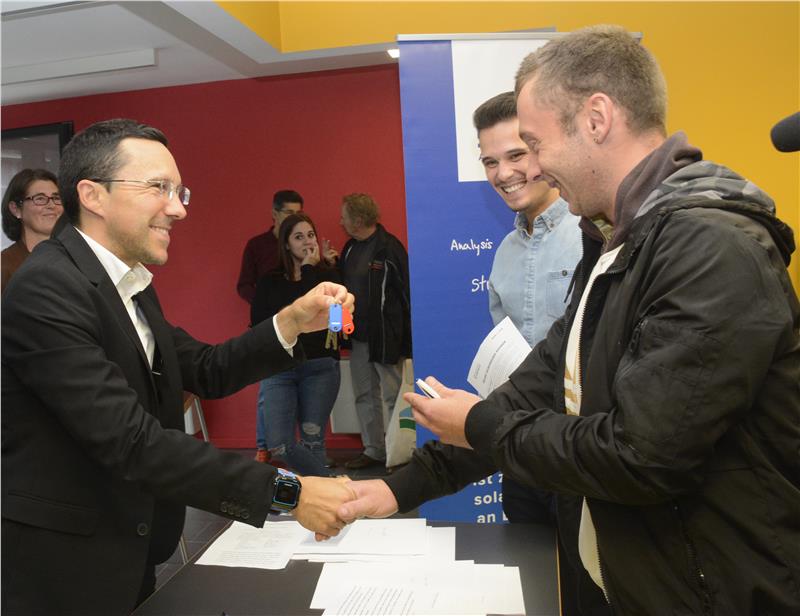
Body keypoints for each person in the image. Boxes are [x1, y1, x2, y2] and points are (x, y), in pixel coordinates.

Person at [338, 26, 800, 616]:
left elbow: (642, 456)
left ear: (597, 119)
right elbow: (539, 387)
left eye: (535, 143)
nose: (534, 166)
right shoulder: (615, 245)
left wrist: (478, 424)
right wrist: (398, 486)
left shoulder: (709, 248)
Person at [1, 119, 356, 616]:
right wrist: (288, 492)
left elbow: (206, 369)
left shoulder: (130, 283)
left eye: (179, 191)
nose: (178, 208)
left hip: (131, 550)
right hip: (69, 569)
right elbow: (130, 440)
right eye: (159, 188)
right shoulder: (47, 288)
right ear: (93, 195)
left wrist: (292, 321)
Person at [475, 91, 582, 524]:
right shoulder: (505, 253)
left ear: (544, 149)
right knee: (525, 561)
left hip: (581, 456)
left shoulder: (595, 236)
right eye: (490, 161)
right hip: (520, 455)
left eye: (516, 155)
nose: (504, 174)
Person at [251, 212, 341, 477]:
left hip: (320, 367)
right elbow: (259, 323)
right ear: (287, 244)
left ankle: (320, 496)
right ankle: (330, 487)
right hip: (280, 368)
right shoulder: (270, 281)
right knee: (279, 444)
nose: (307, 242)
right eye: (299, 237)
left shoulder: (327, 277)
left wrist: (311, 269)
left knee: (313, 440)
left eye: (310, 235)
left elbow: (334, 320)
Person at [338, 193, 412, 470]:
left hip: (386, 337)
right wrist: (337, 328)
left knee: (393, 398)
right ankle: (374, 450)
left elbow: (406, 295)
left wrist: (407, 341)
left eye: (344, 217)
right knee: (364, 395)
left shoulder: (389, 248)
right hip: (358, 338)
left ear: (358, 220)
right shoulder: (348, 249)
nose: (340, 222)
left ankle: (398, 455)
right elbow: (340, 288)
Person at [237, 189, 304, 463]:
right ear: (275, 214)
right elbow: (243, 285)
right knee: (269, 388)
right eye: (289, 212)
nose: (294, 217)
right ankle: (264, 447)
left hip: (301, 329)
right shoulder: (257, 245)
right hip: (268, 329)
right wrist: (266, 306)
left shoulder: (304, 244)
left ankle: (300, 450)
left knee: (301, 388)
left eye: (298, 212)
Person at [1, 167, 64, 293]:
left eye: (56, 198)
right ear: (16, 209)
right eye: (40, 199)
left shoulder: (77, 257)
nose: (51, 205)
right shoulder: (4, 265)